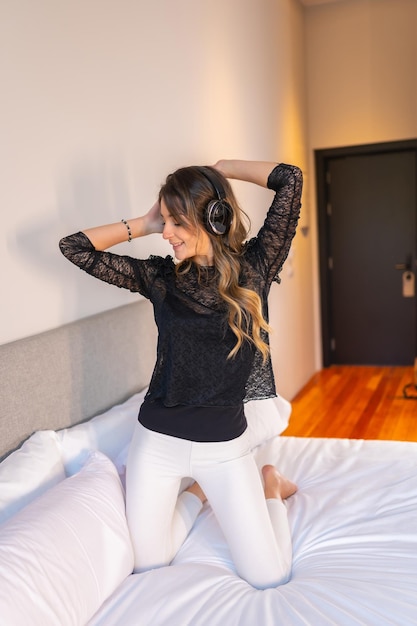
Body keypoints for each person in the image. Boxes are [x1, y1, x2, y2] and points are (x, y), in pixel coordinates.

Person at [59, 159, 302, 589]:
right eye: (165, 221)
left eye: (176, 222)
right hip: (157, 445)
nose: (167, 233)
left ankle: (269, 486)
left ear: (214, 217)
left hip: (226, 450)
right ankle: (197, 493)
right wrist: (146, 222)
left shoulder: (257, 267)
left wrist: (224, 167)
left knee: (272, 576)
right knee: (150, 566)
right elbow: (74, 247)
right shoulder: (160, 279)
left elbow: (291, 179)